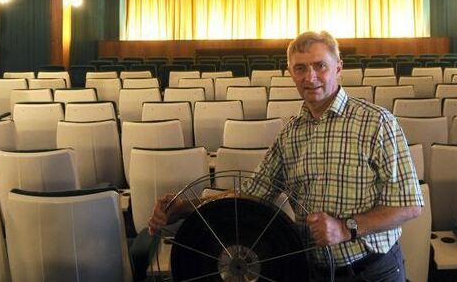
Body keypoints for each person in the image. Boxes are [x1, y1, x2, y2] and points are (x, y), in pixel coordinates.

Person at [149, 31, 424, 281]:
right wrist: (185, 206)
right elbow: (249, 196)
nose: (310, 77)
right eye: (300, 68)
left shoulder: (377, 122)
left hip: (373, 271)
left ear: (338, 67)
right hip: (313, 270)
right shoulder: (290, 133)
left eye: (320, 66)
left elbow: (410, 205)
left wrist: (346, 227)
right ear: (290, 73)